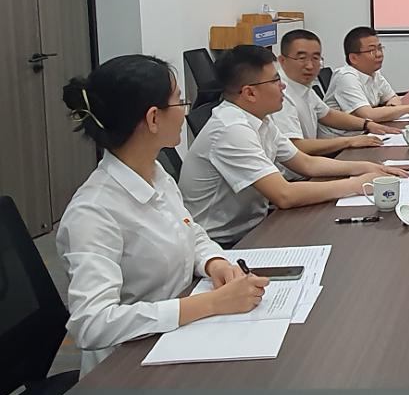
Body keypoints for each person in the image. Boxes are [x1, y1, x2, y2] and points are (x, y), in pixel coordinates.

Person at [57, 55, 270, 375]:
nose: (186, 111)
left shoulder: (155, 173)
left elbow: (191, 232)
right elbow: (92, 324)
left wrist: (215, 262)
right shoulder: (94, 212)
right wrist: (211, 303)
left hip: (178, 338)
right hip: (127, 369)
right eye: (179, 101)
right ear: (154, 118)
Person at [179, 45, 408, 246]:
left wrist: (366, 168)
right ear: (250, 92)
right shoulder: (232, 130)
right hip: (224, 243)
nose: (283, 86)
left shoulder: (260, 119)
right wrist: (357, 184)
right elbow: (285, 195)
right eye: (275, 80)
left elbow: (306, 164)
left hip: (256, 226)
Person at [272, 29, 399, 162]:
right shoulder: (280, 93)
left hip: (312, 162)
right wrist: (349, 141)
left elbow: (327, 115)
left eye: (315, 58)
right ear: (282, 61)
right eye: (302, 58)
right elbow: (294, 146)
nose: (309, 66)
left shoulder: (302, 87)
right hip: (299, 169)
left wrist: (367, 124)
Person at [320, 26, 409, 137]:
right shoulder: (346, 77)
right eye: (371, 51)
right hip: (341, 141)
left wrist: (391, 110)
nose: (379, 54)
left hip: (366, 133)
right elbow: (368, 115)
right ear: (353, 58)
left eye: (380, 48)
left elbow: (393, 98)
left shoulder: (373, 73)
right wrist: (408, 109)